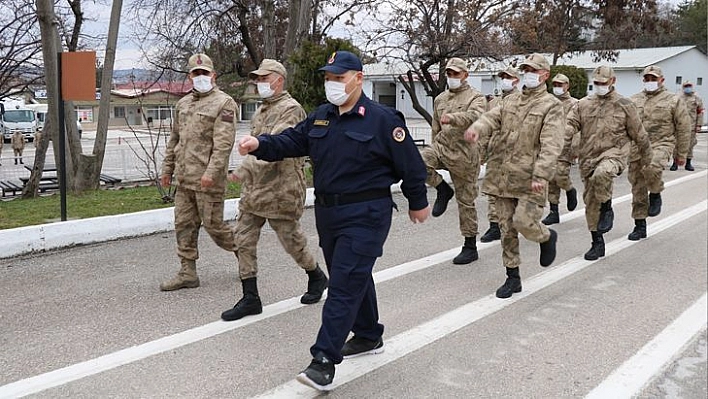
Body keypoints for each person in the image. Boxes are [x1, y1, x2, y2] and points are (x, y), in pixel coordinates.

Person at [237, 50, 430, 391]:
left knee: (342, 284)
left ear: (358, 78)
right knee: (352, 274)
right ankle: (369, 334)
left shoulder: (382, 119)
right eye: (328, 78)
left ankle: (323, 360)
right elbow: (292, 140)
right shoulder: (322, 117)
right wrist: (259, 144)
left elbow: (411, 166)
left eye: (339, 78)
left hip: (366, 213)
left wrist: (418, 202)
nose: (332, 84)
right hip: (329, 213)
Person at [220, 59, 327, 321]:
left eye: (264, 78)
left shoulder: (291, 110)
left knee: (291, 241)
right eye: (257, 79)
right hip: (255, 190)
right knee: (243, 239)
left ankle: (315, 275)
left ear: (279, 80)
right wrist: (244, 174)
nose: (260, 84)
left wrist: (241, 171)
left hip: (281, 189)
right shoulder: (260, 112)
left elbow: (276, 147)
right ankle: (250, 297)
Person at [464, 53, 562, 299]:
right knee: (506, 229)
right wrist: (477, 127)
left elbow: (552, 144)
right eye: (525, 69)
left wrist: (542, 174)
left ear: (545, 75)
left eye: (533, 70)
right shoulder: (510, 101)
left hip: (531, 180)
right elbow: (491, 117)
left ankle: (546, 237)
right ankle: (513, 277)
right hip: (503, 177)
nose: (528, 73)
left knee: (524, 223)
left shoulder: (551, 106)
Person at [159, 53, 239, 291]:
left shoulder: (224, 103)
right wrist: (167, 169)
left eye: (205, 73)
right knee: (183, 224)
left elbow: (223, 144)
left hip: (208, 181)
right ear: (190, 77)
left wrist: (211, 173)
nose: (201, 77)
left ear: (213, 75)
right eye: (196, 73)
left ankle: (244, 254)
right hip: (185, 180)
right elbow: (175, 139)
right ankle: (187, 272)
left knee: (215, 227)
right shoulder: (183, 104)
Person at [565, 65, 652, 260]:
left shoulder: (625, 105)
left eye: (603, 83)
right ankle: (597, 242)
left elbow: (639, 133)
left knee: (602, 174)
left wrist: (648, 159)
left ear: (612, 81)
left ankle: (607, 207)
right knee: (590, 202)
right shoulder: (583, 104)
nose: (599, 86)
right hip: (588, 157)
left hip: (615, 154)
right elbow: (570, 124)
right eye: (596, 83)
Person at [422, 57, 487, 264]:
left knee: (466, 202)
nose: (451, 77)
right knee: (417, 163)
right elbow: (435, 127)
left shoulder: (476, 97)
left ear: (465, 75)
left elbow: (476, 116)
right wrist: (434, 148)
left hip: (464, 156)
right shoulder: (440, 99)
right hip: (442, 147)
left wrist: (454, 118)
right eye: (448, 74)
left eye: (455, 74)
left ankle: (470, 246)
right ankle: (442, 189)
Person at [627, 66, 691, 240]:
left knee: (653, 167)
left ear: (662, 80)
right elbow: (625, 126)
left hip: (662, 143)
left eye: (653, 79)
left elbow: (684, 128)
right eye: (647, 79)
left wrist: (682, 154)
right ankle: (640, 225)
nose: (650, 82)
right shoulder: (634, 100)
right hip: (638, 147)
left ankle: (655, 192)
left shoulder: (673, 100)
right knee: (638, 187)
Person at [480, 66, 520, 243]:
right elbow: (486, 127)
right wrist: (482, 151)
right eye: (502, 77)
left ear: (516, 80)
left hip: (515, 155)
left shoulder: (523, 101)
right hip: (495, 154)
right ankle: (494, 226)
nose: (504, 80)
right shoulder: (494, 102)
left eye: (508, 77)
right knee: (492, 190)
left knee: (512, 192)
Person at [542, 73, 579, 225]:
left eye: (560, 85)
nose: (557, 87)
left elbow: (576, 127)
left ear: (567, 86)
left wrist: (575, 148)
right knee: (551, 179)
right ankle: (554, 211)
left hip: (565, 147)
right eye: (555, 85)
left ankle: (570, 189)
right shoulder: (548, 102)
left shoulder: (575, 103)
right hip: (549, 145)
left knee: (560, 175)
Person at [671, 81, 704, 171]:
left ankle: (688, 163)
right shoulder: (678, 98)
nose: (688, 88)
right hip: (679, 126)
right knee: (676, 145)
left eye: (689, 86)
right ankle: (675, 163)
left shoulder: (696, 98)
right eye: (686, 86)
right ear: (683, 87)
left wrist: (699, 125)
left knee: (690, 145)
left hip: (692, 126)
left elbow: (700, 112)